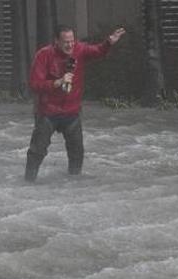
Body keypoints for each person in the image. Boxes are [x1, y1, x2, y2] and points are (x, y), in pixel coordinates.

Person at [25, 24, 125, 182]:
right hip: (47, 112)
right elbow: (34, 84)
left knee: (77, 152)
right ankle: (28, 182)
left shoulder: (80, 50)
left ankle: (74, 187)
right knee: (37, 151)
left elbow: (98, 51)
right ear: (56, 41)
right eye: (66, 42)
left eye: (72, 41)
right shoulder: (44, 55)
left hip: (71, 112)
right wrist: (57, 82)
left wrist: (109, 43)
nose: (70, 45)